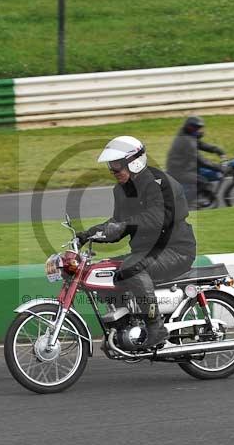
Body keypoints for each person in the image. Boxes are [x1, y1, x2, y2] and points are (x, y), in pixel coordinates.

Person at [77, 135, 196, 348]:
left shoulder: (161, 184)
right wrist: (86, 235)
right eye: (110, 166)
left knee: (131, 267)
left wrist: (123, 226)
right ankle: (124, 326)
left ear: (134, 162)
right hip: (146, 251)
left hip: (175, 250)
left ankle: (155, 327)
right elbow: (118, 223)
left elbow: (157, 217)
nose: (113, 171)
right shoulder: (122, 190)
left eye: (116, 166)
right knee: (107, 269)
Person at [166, 115, 227, 207]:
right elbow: (200, 161)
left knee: (202, 176)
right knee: (203, 181)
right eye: (198, 129)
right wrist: (218, 167)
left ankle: (197, 198)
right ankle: (188, 204)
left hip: (184, 167)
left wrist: (216, 150)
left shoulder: (187, 135)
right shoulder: (187, 141)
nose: (200, 131)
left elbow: (201, 144)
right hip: (179, 171)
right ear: (191, 128)